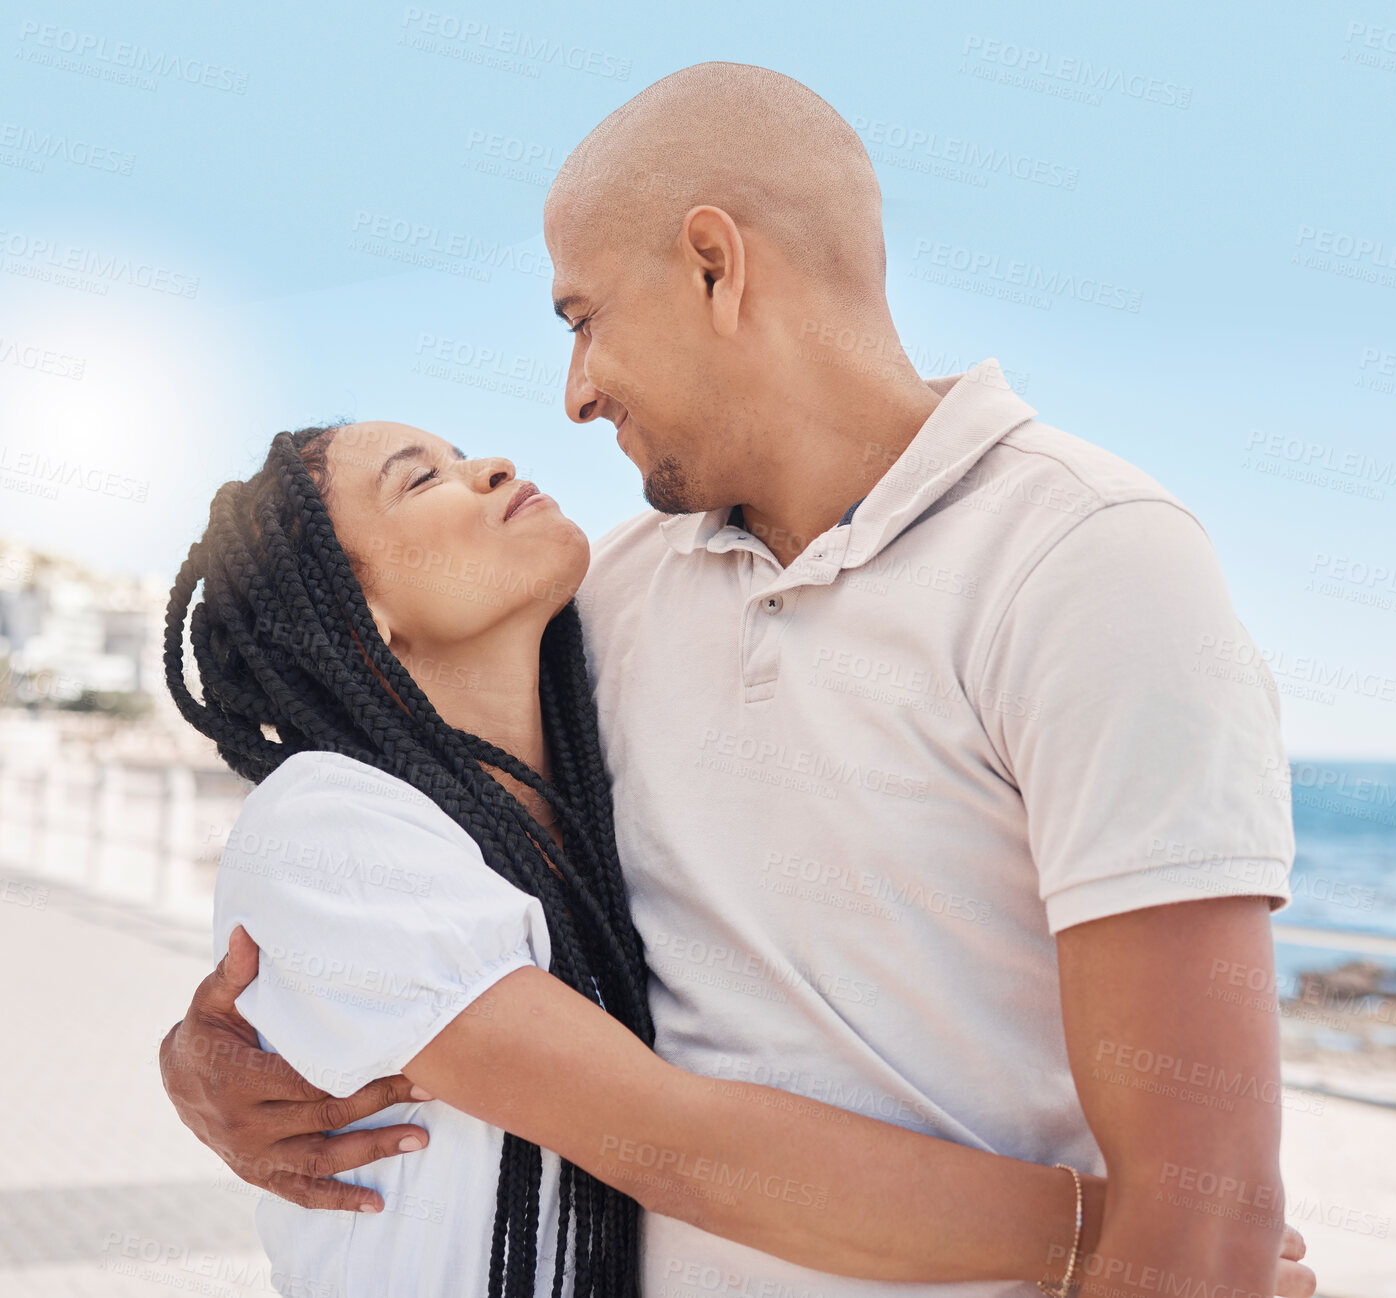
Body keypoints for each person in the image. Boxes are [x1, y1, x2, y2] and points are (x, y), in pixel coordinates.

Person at [162, 64, 1316, 1298]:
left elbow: (1199, 1220)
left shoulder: (1087, 560)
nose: (574, 391)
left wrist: (1138, 1238)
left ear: (715, 265)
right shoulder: (600, 600)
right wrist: (213, 1053)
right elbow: (421, 871)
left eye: (582, 316)